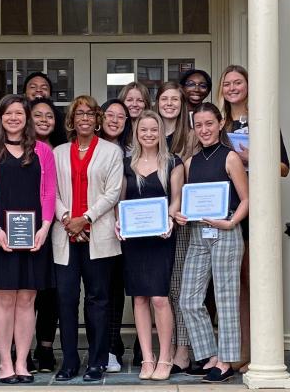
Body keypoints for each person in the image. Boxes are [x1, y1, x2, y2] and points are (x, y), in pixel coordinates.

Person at [0, 94, 56, 384]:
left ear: (27, 117)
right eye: (8, 113)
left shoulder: (43, 151)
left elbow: (48, 192)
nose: (13, 118)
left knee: (27, 299)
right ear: (0, 117)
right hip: (1, 236)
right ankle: (5, 363)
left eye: (19, 113)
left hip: (34, 234)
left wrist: (45, 228)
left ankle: (23, 362)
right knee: (5, 299)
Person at [217, 64, 290, 372]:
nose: (233, 87)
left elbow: (284, 168)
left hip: (254, 212)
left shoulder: (263, 121)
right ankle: (233, 350)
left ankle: (255, 351)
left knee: (252, 281)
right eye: (228, 83)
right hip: (225, 210)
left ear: (248, 86)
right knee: (228, 285)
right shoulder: (218, 125)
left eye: (238, 82)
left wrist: (253, 159)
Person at [52, 95, 123, 382]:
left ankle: (97, 361)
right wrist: (68, 218)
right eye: (78, 113)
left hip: (99, 235)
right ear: (71, 119)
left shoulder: (111, 152)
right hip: (65, 233)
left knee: (98, 300)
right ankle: (69, 362)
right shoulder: (57, 152)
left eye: (89, 114)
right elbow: (51, 191)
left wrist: (87, 218)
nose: (84, 118)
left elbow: (113, 191)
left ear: (97, 120)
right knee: (66, 300)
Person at [177, 102, 249, 383]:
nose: (204, 129)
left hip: (226, 233)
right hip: (198, 234)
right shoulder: (190, 162)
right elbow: (183, 202)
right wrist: (180, 215)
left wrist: (231, 223)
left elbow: (246, 199)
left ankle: (227, 360)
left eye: (209, 123)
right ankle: (209, 355)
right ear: (194, 129)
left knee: (226, 299)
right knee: (189, 300)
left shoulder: (230, 157)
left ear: (220, 124)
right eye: (199, 125)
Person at [115, 110, 184, 381]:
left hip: (161, 238)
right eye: (143, 130)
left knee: (159, 297)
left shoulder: (173, 162)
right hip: (134, 240)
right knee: (139, 298)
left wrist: (169, 218)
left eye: (153, 129)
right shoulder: (125, 164)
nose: (148, 134)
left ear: (160, 132)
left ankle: (165, 356)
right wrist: (118, 222)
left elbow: (176, 199)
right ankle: (147, 358)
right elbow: (120, 201)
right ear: (136, 132)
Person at [22, 73, 66, 373]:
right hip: (24, 226)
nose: (43, 119)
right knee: (24, 288)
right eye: (37, 115)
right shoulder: (16, 147)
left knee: (52, 289)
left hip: (58, 227)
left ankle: (46, 347)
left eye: (49, 115)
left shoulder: (62, 148)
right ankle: (21, 348)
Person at [154, 81, 195, 374]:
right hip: (151, 225)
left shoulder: (191, 136)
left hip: (181, 222)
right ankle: (164, 347)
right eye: (164, 99)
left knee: (180, 286)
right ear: (157, 103)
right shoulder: (148, 132)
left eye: (175, 99)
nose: (169, 103)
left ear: (182, 104)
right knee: (159, 289)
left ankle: (183, 348)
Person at [97, 99, 132, 372]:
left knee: (119, 290)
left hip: (131, 231)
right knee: (102, 291)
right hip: (99, 227)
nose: (115, 120)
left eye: (121, 116)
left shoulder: (134, 149)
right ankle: (105, 347)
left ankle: (113, 345)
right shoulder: (92, 148)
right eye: (110, 114)